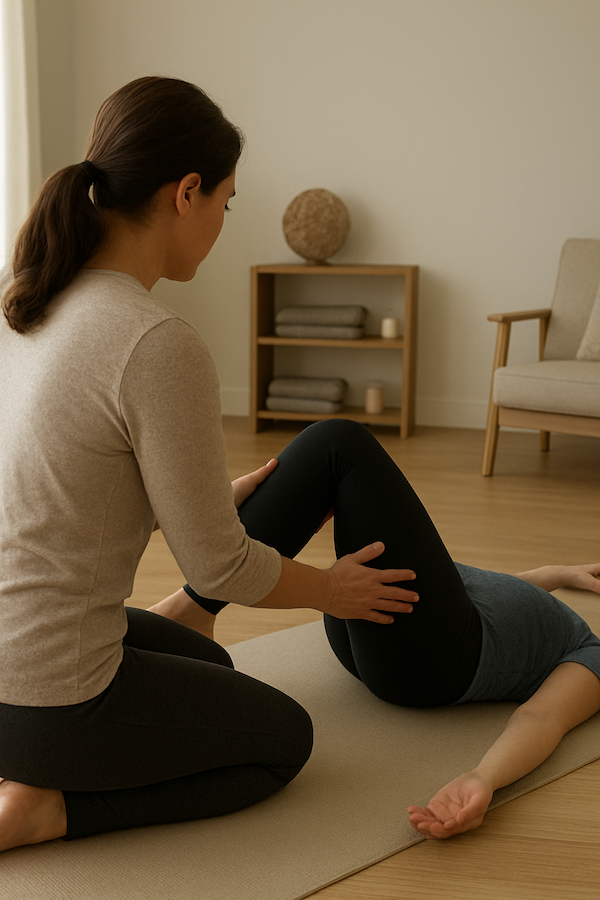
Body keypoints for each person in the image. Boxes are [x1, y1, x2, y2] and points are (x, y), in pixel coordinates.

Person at [0, 77, 415, 851]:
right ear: (186, 192)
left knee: (206, 665)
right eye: (228, 200)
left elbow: (63, 483)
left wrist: (205, 494)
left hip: (9, 660)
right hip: (46, 701)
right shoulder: (155, 341)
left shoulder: (27, 304)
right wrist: (334, 590)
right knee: (282, 738)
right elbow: (220, 570)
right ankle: (44, 808)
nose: (225, 219)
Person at [172, 418, 600, 841]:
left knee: (341, 445)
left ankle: (194, 605)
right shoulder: (557, 616)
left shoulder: (590, 651)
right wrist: (557, 572)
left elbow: (543, 718)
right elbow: (498, 589)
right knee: (332, 463)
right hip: (385, 622)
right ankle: (198, 602)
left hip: (427, 659)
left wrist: (484, 777)